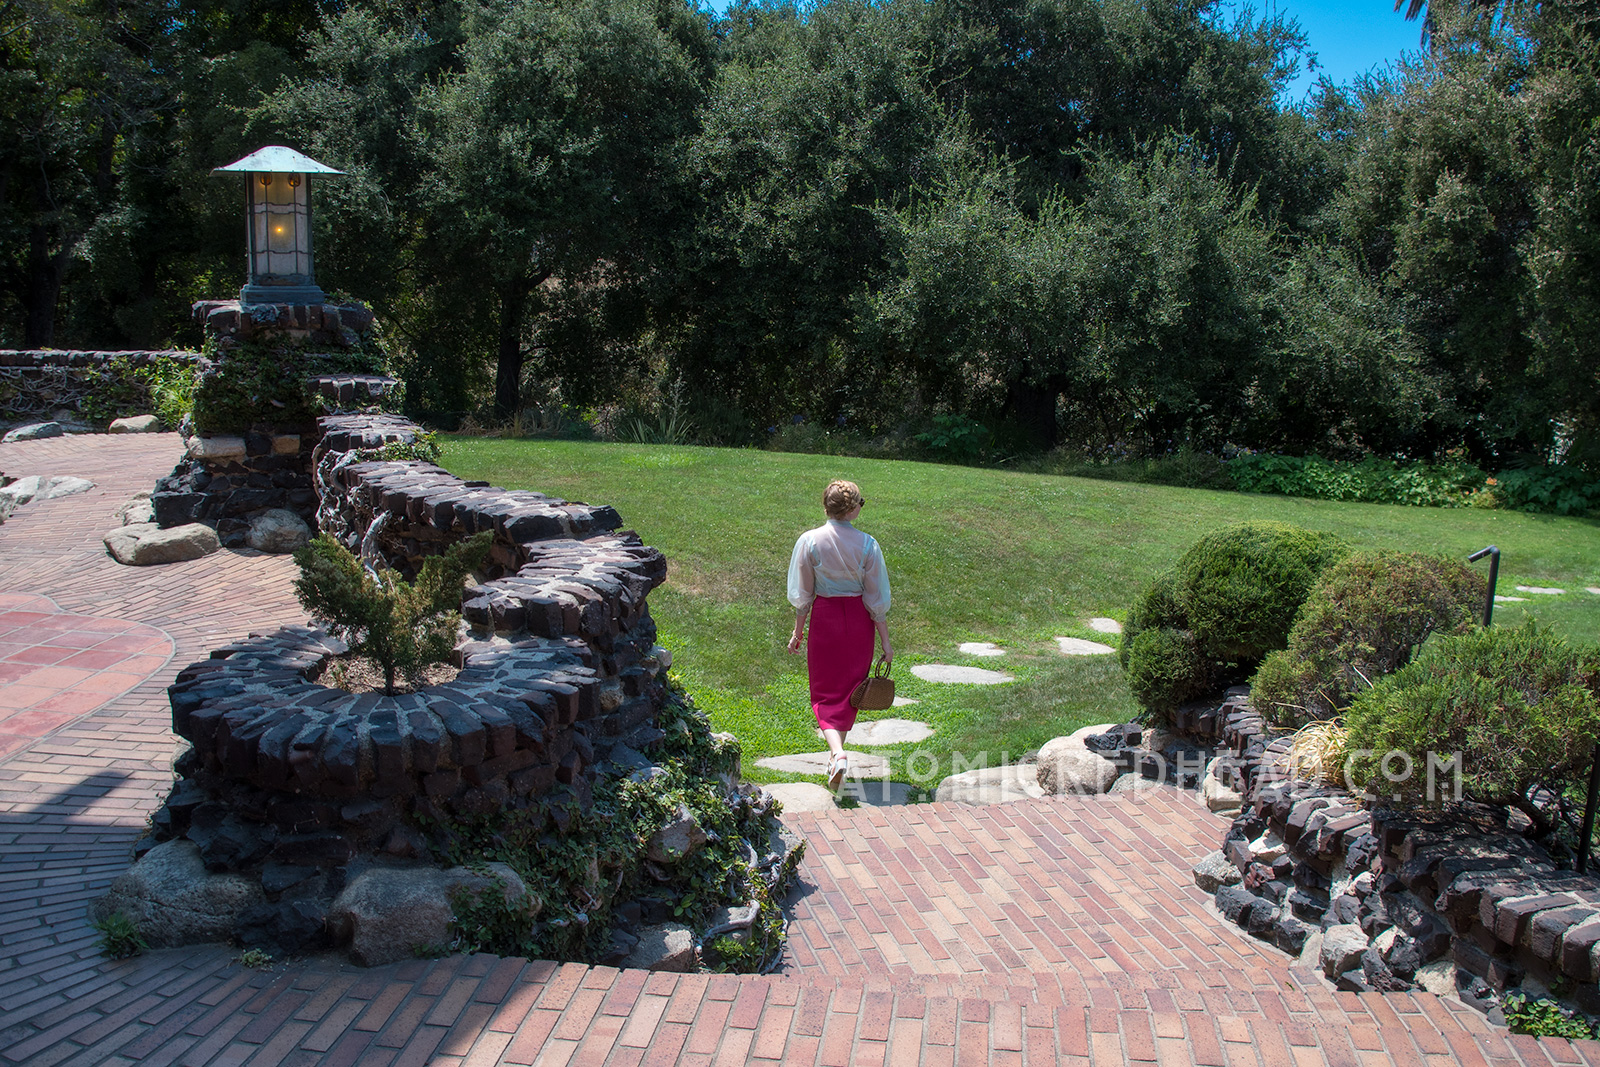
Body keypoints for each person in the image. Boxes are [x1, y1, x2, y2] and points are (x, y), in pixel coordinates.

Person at [787, 479, 892, 790]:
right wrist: (885, 640)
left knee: (824, 692)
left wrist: (798, 631)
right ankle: (838, 754)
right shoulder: (868, 544)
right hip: (859, 622)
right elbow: (876, 598)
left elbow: (804, 593)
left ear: (827, 508)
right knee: (850, 691)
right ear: (852, 509)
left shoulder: (809, 542)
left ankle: (837, 755)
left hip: (826, 619)